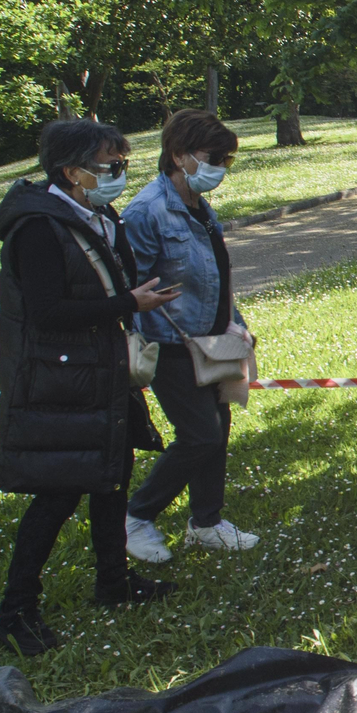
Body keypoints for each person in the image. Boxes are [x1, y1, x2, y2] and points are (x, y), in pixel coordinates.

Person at [0, 119, 183, 654]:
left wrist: (133, 294)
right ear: (72, 171)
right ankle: (15, 612)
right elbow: (49, 313)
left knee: (111, 477)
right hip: (59, 378)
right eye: (111, 167)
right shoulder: (37, 227)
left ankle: (113, 583)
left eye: (123, 164)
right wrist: (130, 304)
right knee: (58, 492)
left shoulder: (95, 214)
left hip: (101, 368)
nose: (120, 174)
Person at [121, 109, 260, 563]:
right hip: (170, 347)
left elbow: (216, 275)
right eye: (213, 156)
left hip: (213, 342)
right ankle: (135, 517)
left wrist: (236, 324)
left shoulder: (201, 209)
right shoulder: (146, 212)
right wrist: (148, 347)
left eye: (228, 159)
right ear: (179, 156)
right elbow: (134, 291)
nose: (221, 166)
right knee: (199, 434)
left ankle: (206, 522)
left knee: (217, 430)